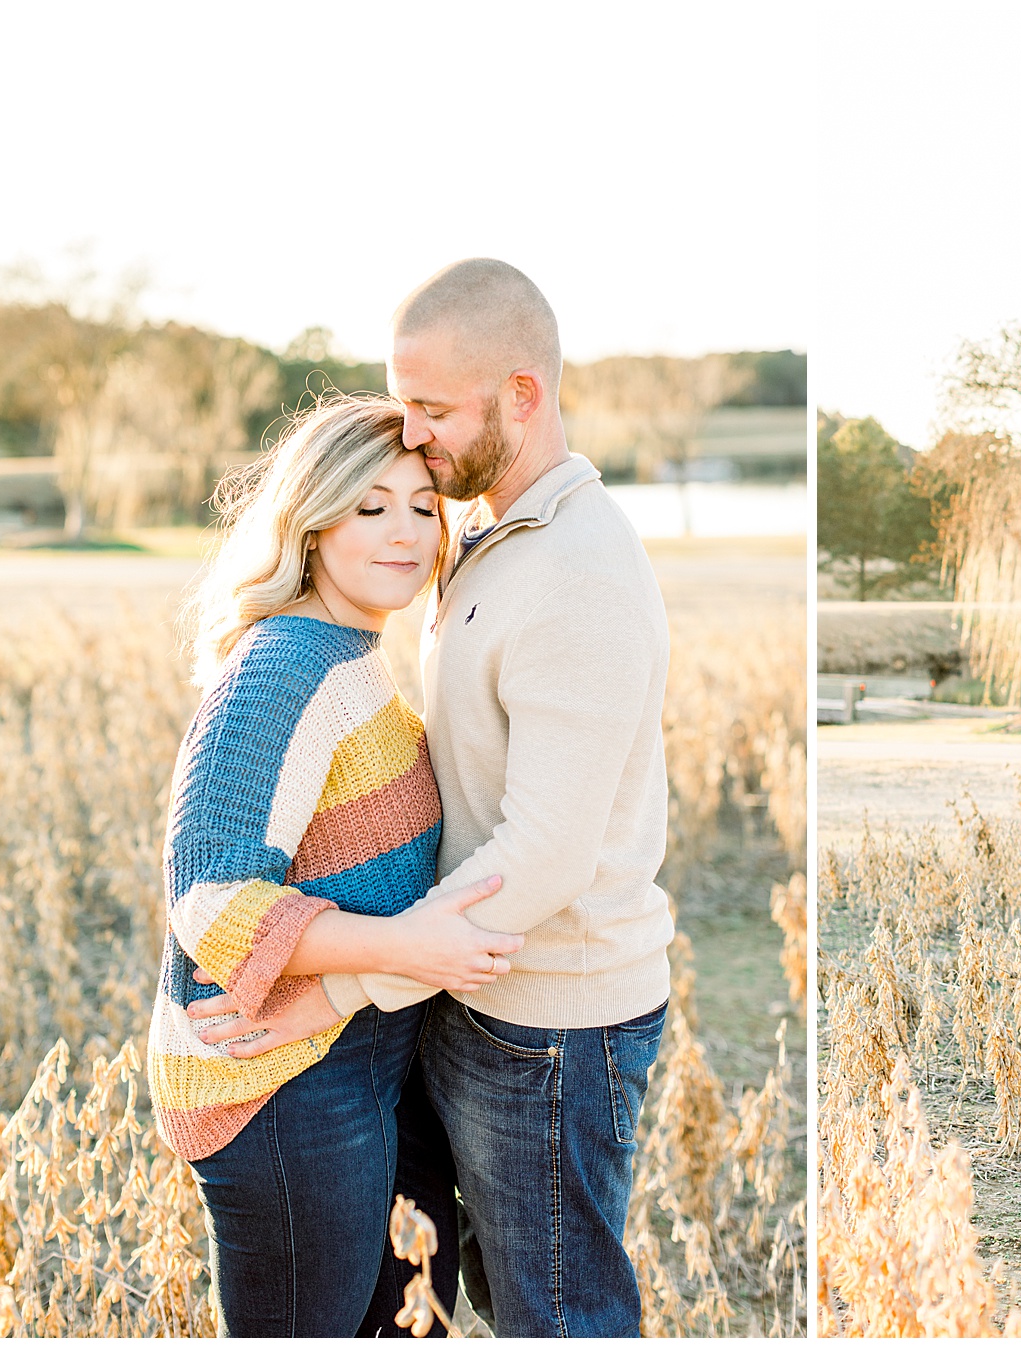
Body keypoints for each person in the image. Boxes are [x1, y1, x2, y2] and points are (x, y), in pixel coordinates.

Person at [190, 259, 674, 1338]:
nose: (412, 435)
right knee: (449, 1299)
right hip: (466, 990)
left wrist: (348, 982)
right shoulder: (491, 538)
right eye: (401, 404)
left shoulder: (575, 571)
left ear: (523, 394)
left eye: (434, 411)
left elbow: (543, 850)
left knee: (557, 1312)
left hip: (551, 1019)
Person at [145, 394, 526, 1337]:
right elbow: (212, 896)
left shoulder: (353, 656)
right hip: (278, 1083)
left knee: (409, 1321)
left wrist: (375, 971)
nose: (404, 533)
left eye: (422, 507)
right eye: (370, 507)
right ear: (311, 524)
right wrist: (401, 947)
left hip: (358, 1052)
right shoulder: (284, 666)